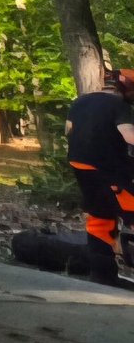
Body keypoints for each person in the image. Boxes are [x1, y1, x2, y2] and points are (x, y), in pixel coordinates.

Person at [66, 69, 134, 284]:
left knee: (100, 218)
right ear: (126, 87)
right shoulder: (119, 106)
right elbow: (129, 135)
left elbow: (68, 130)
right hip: (111, 170)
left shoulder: (79, 102)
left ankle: (103, 276)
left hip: (81, 166)